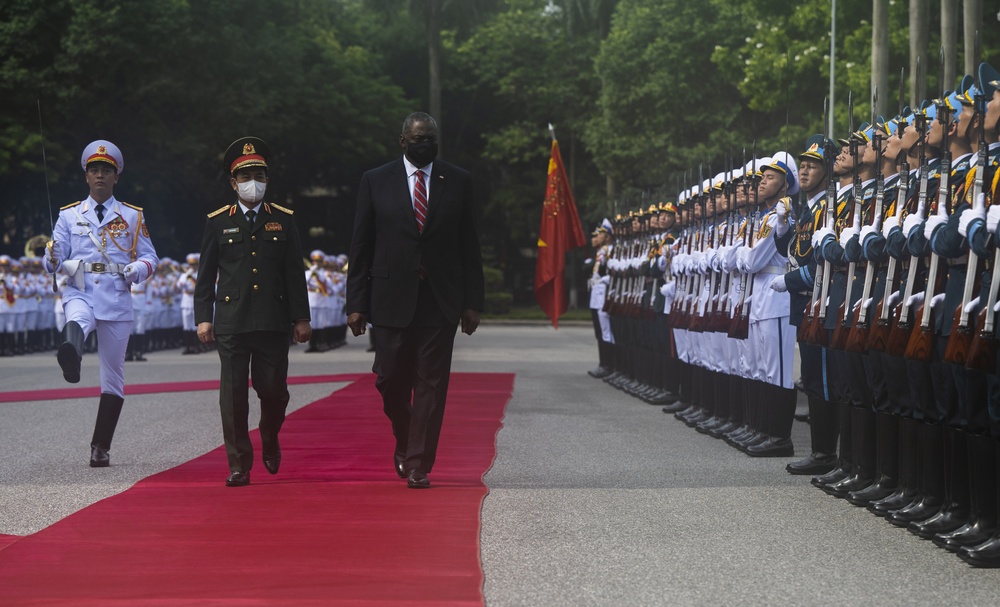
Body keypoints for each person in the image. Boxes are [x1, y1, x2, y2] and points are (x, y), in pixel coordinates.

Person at [346, 112, 485, 489]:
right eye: (419, 139)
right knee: (389, 380)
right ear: (403, 141)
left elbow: (469, 244)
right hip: (390, 297)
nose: (426, 145)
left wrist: (473, 301)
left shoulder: (457, 180)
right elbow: (361, 245)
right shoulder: (376, 181)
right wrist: (355, 302)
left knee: (431, 384)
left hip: (440, 299)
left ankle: (419, 462)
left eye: (432, 139)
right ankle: (406, 437)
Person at [194, 137, 312, 487]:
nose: (253, 182)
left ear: (267, 179)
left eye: (258, 174)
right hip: (231, 321)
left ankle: (269, 433)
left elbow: (294, 273)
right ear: (233, 182)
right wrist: (204, 317)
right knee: (233, 395)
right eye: (245, 176)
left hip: (273, 320)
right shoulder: (218, 222)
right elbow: (205, 275)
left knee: (274, 392)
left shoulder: (283, 220)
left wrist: (301, 318)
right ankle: (238, 464)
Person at [44, 140, 159, 467]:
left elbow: (151, 258)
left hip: (116, 295)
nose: (99, 176)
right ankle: (72, 356)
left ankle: (100, 447)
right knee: (76, 320)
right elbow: (55, 258)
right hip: (80, 288)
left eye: (105, 171)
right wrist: (50, 258)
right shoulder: (68, 215)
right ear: (86, 176)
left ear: (115, 177)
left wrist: (136, 270)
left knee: (113, 377)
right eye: (94, 170)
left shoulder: (132, 216)